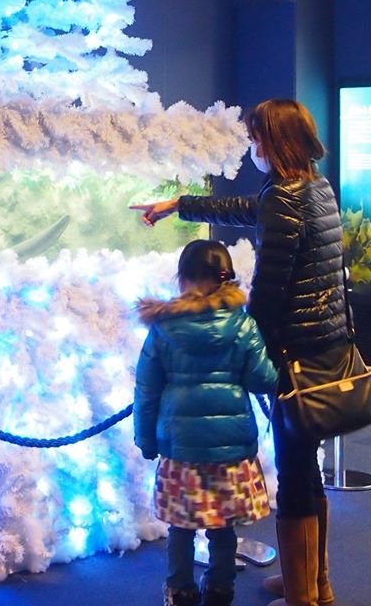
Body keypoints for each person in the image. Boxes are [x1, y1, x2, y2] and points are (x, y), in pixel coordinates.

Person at [132, 98, 348, 606]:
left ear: (274, 140)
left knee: (295, 474)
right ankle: (314, 581)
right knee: (307, 470)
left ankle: (302, 595)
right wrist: (179, 204)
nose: (253, 147)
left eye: (256, 138)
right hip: (326, 346)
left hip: (295, 354)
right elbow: (247, 208)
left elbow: (270, 292)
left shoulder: (285, 197)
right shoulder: (313, 187)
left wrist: (239, 341)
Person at [134, 238, 277, 606]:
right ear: (226, 278)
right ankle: (220, 587)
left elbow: (146, 391)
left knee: (180, 528)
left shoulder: (163, 328)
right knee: (222, 524)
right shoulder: (242, 324)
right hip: (230, 447)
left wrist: (146, 440)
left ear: (182, 278)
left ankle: (180, 590)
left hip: (180, 448)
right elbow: (263, 379)